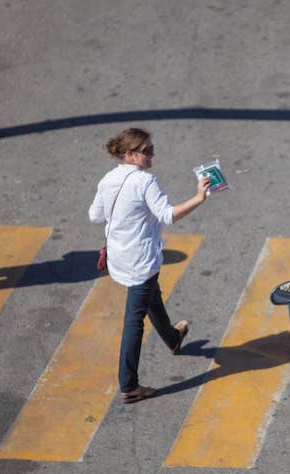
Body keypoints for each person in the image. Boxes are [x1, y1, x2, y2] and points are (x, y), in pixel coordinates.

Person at [89, 128, 210, 403]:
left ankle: (172, 337)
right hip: (141, 260)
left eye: (152, 148)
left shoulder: (109, 179)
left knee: (151, 294)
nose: (152, 154)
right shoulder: (145, 182)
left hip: (119, 257)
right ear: (131, 155)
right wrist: (199, 198)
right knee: (134, 321)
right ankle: (129, 385)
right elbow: (168, 215)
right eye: (147, 151)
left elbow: (94, 215)